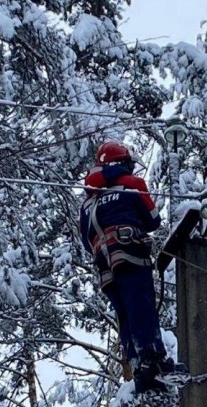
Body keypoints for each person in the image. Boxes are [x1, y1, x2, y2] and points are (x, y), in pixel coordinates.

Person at [79, 140, 179, 394]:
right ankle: (153, 359)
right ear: (124, 163)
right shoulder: (132, 184)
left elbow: (84, 239)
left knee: (124, 313)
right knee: (141, 306)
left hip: (104, 265)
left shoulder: (88, 201)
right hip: (129, 251)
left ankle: (139, 366)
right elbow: (153, 219)